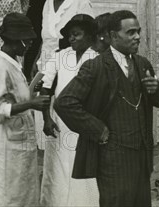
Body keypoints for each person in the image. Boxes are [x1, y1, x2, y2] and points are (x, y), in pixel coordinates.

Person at [55, 10, 159, 207]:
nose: (137, 37)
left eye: (138, 32)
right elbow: (64, 102)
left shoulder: (142, 64)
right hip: (112, 157)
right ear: (114, 36)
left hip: (141, 154)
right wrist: (97, 130)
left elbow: (158, 98)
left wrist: (157, 89)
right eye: (131, 32)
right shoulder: (95, 67)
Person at [0, 12, 51, 207]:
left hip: (17, 134)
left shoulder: (13, 61)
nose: (29, 45)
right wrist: (30, 104)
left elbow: (12, 94)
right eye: (26, 41)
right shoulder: (0, 67)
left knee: (21, 189)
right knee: (6, 191)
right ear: (14, 40)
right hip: (4, 138)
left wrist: (30, 91)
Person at [40, 14, 100, 207]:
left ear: (90, 36)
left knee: (83, 166)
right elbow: (45, 88)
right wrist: (46, 119)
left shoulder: (97, 59)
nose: (72, 39)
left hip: (85, 123)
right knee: (58, 168)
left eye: (77, 34)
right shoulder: (60, 56)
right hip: (59, 123)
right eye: (70, 35)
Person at [35, 0, 94, 148]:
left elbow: (89, 36)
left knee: (64, 106)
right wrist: (37, 61)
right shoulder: (47, 2)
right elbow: (45, 36)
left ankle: (72, 157)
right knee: (45, 107)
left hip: (70, 63)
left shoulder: (80, 2)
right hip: (46, 61)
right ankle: (50, 161)